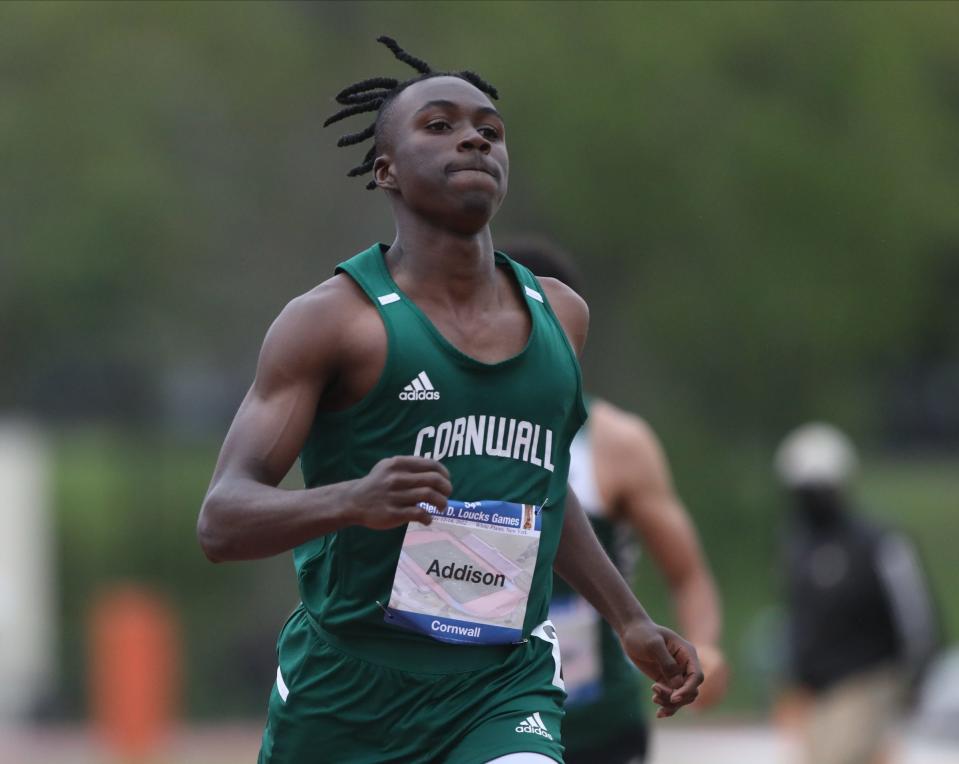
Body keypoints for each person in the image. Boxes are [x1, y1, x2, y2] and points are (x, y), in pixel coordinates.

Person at [196, 37, 703, 764]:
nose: (472, 137)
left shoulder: (559, 316)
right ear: (386, 169)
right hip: (348, 690)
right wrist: (352, 500)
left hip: (499, 683)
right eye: (438, 125)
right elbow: (221, 520)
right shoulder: (333, 322)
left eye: (488, 131)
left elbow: (546, 492)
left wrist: (627, 619)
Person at [507, 239, 728, 764]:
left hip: (595, 723)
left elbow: (687, 573)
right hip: (478, 711)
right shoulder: (439, 421)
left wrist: (707, 646)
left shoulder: (617, 443)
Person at [774, 422, 938, 764]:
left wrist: (917, 677)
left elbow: (916, 614)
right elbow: (798, 618)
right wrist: (792, 677)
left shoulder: (878, 544)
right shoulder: (799, 547)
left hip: (867, 679)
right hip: (817, 691)